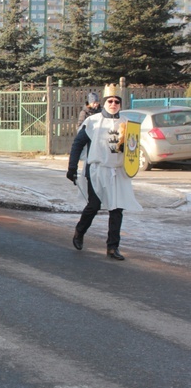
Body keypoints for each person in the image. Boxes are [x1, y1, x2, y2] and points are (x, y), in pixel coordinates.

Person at [67, 84, 142, 261]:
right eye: (110, 100)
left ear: (120, 104)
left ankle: (112, 247)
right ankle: (79, 231)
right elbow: (78, 144)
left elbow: (133, 148)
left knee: (117, 209)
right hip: (97, 169)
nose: (113, 103)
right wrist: (72, 167)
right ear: (105, 102)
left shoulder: (127, 124)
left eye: (117, 101)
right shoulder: (92, 122)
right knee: (93, 206)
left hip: (118, 171)